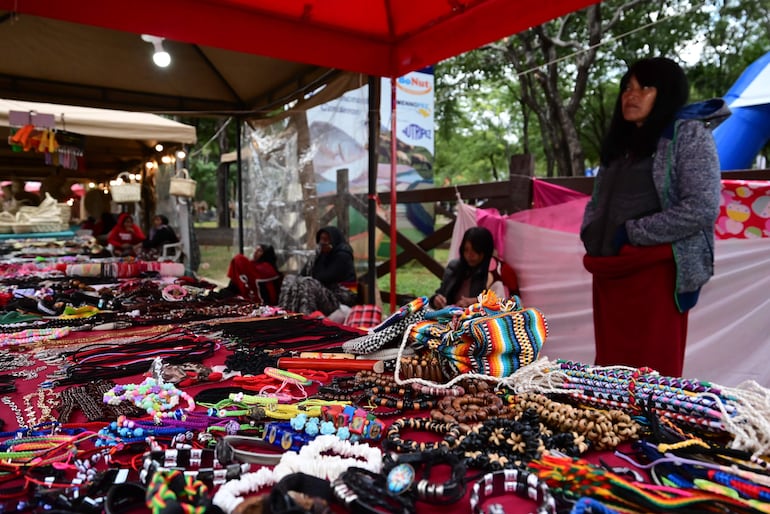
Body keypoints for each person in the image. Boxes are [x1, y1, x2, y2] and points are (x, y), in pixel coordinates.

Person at [580, 57, 728, 377]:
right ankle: (609, 426)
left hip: (657, 272)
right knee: (610, 366)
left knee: (652, 372)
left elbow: (702, 206)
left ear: (667, 92)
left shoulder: (688, 135)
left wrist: (630, 233)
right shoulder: (621, 143)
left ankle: (650, 427)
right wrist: (590, 230)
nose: (630, 95)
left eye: (644, 87)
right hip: (610, 271)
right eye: (627, 88)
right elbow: (598, 198)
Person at [429, 226, 517, 309]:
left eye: (475, 250)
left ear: (485, 250)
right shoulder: (455, 267)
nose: (469, 255)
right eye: (466, 250)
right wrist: (436, 300)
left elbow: (506, 302)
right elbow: (441, 293)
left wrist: (476, 302)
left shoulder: (495, 270)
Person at [279, 226, 357, 316]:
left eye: (326, 239)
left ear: (333, 240)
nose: (322, 242)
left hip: (340, 298)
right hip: (324, 293)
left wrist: (308, 277)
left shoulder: (343, 255)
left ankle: (306, 318)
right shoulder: (319, 254)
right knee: (290, 279)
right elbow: (303, 274)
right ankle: (287, 313)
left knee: (308, 283)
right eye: (321, 239)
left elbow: (325, 277)